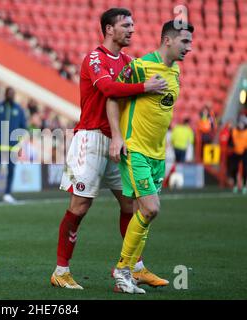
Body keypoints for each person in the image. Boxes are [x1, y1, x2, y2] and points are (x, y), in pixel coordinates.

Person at [51, 8, 169, 290]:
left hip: (119, 141)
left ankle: (134, 268)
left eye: (133, 24)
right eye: (126, 25)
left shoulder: (128, 62)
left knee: (131, 204)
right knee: (80, 206)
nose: (132, 29)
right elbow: (108, 89)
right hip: (91, 140)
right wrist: (145, 86)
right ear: (109, 29)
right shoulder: (95, 58)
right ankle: (60, 271)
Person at [107, 20, 194, 294]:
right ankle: (122, 269)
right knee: (151, 208)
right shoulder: (139, 66)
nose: (189, 48)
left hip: (158, 154)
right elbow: (111, 96)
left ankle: (131, 273)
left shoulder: (176, 71)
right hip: (136, 150)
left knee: (140, 213)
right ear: (168, 40)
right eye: (185, 42)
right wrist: (117, 137)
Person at [0, 87, 27, 204]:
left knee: (11, 169)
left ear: (14, 95)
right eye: (9, 93)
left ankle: (7, 194)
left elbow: (23, 128)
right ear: (5, 94)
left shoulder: (19, 110)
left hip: (12, 146)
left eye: (12, 93)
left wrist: (19, 143)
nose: (10, 95)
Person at [228, 118, 247, 194]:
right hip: (235, 152)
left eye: (242, 123)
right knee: (234, 169)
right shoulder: (234, 131)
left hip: (245, 152)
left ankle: (245, 186)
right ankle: (236, 185)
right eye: (239, 123)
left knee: (245, 170)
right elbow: (230, 141)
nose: (240, 125)